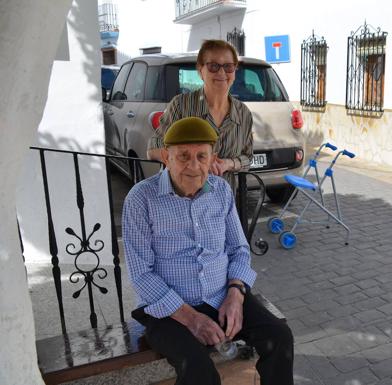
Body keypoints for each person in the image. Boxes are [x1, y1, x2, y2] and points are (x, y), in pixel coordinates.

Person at [123, 117, 293, 385]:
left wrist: (236, 294)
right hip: (168, 310)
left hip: (221, 296)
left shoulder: (221, 191)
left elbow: (238, 249)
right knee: (199, 373)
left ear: (213, 157)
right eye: (183, 156)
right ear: (166, 157)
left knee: (279, 338)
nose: (194, 166)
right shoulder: (141, 198)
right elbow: (141, 275)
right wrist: (191, 319)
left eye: (202, 156)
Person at [147, 39, 253, 192]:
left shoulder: (243, 113)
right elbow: (153, 148)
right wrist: (192, 160)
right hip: (181, 199)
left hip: (222, 204)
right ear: (200, 70)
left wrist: (227, 164)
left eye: (228, 67)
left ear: (235, 71)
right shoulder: (181, 105)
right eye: (213, 66)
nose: (221, 73)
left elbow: (248, 158)